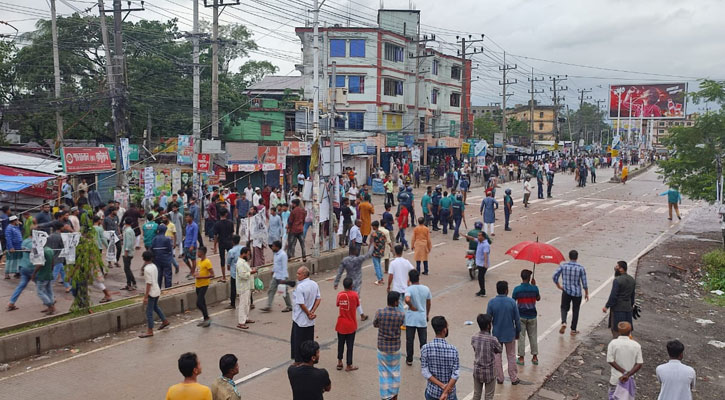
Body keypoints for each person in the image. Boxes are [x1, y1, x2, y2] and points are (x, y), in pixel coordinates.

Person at [486, 281, 521, 385]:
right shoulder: (511, 302)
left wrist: (488, 333)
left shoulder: (491, 302)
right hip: (510, 333)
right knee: (511, 355)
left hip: (496, 334)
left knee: (497, 356)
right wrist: (518, 331)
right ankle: (513, 378)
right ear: (506, 290)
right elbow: (517, 320)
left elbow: (488, 319)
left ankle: (500, 378)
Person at [374, 291, 406, 400]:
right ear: (396, 302)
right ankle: (394, 396)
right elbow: (401, 324)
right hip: (395, 347)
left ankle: (385, 396)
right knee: (395, 372)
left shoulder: (380, 312)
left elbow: (375, 324)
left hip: (382, 347)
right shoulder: (401, 315)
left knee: (383, 373)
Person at [420, 316, 459, 400]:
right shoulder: (453, 350)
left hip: (432, 392)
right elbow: (455, 374)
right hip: (449, 394)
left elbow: (425, 371)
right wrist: (445, 391)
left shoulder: (425, 348)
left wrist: (442, 385)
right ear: (444, 330)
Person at [334, 239, 374, 320]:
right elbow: (369, 254)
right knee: (356, 298)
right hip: (357, 281)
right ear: (355, 251)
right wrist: (372, 244)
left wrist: (336, 282)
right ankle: (358, 314)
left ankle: (359, 314)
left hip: (348, 281)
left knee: (350, 297)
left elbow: (340, 272)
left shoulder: (345, 260)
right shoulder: (358, 259)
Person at [553, 250, 589, 336]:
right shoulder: (581, 268)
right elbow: (584, 282)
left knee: (564, 307)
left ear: (569, 257)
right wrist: (586, 293)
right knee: (576, 310)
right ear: (577, 257)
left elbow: (554, 276)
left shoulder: (564, 266)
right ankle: (573, 329)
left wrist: (558, 285)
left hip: (566, 291)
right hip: (577, 293)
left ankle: (564, 322)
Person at [291, 266, 321, 363]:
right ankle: (309, 359)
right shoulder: (314, 284)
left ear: (304, 275)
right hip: (309, 321)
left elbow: (301, 303)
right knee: (309, 342)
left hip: (300, 319)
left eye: (299, 274)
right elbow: (318, 298)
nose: (297, 275)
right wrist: (312, 311)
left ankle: (298, 361)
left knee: (298, 342)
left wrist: (308, 313)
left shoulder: (300, 287)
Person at [606, 322, 643, 398]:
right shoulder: (636, 345)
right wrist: (627, 375)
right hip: (629, 380)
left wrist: (623, 372)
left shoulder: (613, 343)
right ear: (630, 332)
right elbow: (639, 363)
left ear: (619, 331)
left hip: (615, 378)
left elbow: (610, 360)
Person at [511, 269, 540, 366]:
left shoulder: (517, 289)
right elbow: (538, 298)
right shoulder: (534, 289)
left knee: (521, 337)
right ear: (529, 278)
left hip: (521, 315)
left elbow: (513, 302)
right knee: (533, 336)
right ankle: (535, 357)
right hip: (532, 315)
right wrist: (534, 285)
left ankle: (521, 358)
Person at [138, 251, 169, 338]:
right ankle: (164, 320)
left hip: (151, 292)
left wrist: (145, 296)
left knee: (149, 312)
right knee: (155, 307)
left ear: (144, 259)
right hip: (157, 290)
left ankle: (150, 330)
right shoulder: (154, 266)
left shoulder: (147, 269)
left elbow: (148, 283)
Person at [471, 314, 502, 400]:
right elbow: (499, 349)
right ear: (489, 325)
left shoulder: (474, 337)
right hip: (489, 372)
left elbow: (475, 349)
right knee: (488, 396)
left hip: (477, 370)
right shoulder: (493, 339)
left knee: (476, 394)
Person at [404, 270, 431, 366]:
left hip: (411, 319)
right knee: (423, 340)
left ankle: (409, 359)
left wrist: (411, 306)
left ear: (410, 278)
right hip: (421, 318)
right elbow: (428, 303)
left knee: (410, 340)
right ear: (418, 277)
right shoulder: (426, 289)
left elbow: (407, 299)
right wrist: (427, 314)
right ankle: (424, 359)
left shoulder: (409, 289)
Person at [603, 261, 636, 337]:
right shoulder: (632, 280)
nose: (615, 268)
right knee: (627, 329)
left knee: (616, 329)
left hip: (618, 308)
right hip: (628, 309)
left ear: (621, 269)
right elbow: (632, 296)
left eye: (617, 266)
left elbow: (613, 296)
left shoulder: (617, 280)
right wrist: (631, 306)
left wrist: (606, 306)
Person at [335, 277, 360, 371]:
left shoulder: (340, 295)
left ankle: (339, 362)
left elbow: (337, 304)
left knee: (340, 344)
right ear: (352, 286)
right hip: (351, 324)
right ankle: (349, 364)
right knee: (350, 346)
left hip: (341, 324)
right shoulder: (354, 295)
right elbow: (357, 305)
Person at [261, 240, 293, 313]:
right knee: (271, 290)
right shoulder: (276, 254)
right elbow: (276, 264)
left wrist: (283, 278)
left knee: (284, 292)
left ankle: (289, 306)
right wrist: (273, 271)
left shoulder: (283, 255)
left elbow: (284, 267)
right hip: (276, 276)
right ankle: (268, 306)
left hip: (282, 276)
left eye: (273, 246)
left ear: (277, 247)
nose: (272, 247)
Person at [462, 230, 491, 297]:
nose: (478, 237)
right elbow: (472, 238)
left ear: (483, 237)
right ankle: (482, 290)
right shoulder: (479, 241)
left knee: (481, 277)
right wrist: (465, 236)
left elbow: (485, 254)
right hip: (479, 262)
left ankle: (483, 291)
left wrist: (485, 263)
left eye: (479, 235)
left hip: (483, 264)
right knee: (480, 277)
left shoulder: (485, 245)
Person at [235, 246, 257, 329]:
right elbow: (242, 275)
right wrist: (251, 272)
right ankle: (241, 322)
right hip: (243, 287)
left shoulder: (244, 262)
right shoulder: (240, 263)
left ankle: (246, 318)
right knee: (243, 304)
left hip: (247, 286)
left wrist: (251, 271)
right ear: (243, 254)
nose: (248, 256)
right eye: (247, 254)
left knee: (247, 303)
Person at [30, 242, 56, 315]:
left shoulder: (41, 251)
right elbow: (53, 263)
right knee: (49, 291)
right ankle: (51, 306)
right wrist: (51, 271)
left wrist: (34, 274)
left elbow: (40, 264)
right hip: (49, 274)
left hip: (42, 275)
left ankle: (50, 305)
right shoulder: (50, 250)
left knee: (40, 292)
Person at [388, 245, 413, 311]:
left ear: (395, 252)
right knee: (408, 303)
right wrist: (409, 280)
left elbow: (391, 276)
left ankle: (403, 319)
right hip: (405, 287)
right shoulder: (406, 262)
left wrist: (388, 286)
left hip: (397, 288)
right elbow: (413, 271)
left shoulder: (393, 263)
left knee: (399, 305)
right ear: (402, 252)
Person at [194, 246, 214, 328]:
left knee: (199, 303)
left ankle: (207, 317)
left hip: (204, 284)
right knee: (202, 302)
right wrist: (195, 274)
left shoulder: (207, 262)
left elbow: (212, 274)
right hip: (198, 284)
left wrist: (201, 277)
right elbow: (197, 271)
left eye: (198, 252)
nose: (197, 253)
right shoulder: (198, 261)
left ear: (202, 253)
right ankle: (206, 319)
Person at [213, 209, 233, 282]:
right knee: (232, 258)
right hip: (229, 242)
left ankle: (224, 276)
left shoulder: (217, 224)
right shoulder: (230, 223)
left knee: (222, 259)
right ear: (226, 214)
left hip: (221, 243)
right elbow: (232, 234)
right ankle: (233, 274)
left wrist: (215, 246)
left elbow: (215, 236)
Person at [152, 224, 174, 289]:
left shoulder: (154, 239)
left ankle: (158, 289)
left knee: (159, 274)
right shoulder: (167, 239)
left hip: (157, 259)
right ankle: (168, 289)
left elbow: (152, 248)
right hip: (166, 259)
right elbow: (170, 249)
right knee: (167, 275)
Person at [121, 218, 137, 291]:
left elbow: (129, 242)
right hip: (128, 251)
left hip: (127, 252)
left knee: (127, 269)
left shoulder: (128, 231)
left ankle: (133, 283)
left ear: (125, 223)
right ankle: (128, 284)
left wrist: (126, 251)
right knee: (126, 268)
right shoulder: (130, 230)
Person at [370, 220, 388, 285]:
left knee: (376, 266)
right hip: (381, 251)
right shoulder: (382, 233)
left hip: (375, 251)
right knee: (379, 265)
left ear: (375, 226)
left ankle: (379, 279)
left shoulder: (373, 234)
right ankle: (381, 278)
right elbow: (385, 241)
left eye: (372, 226)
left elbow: (371, 243)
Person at [183, 213, 199, 280]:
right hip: (186, 244)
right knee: (185, 259)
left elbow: (195, 236)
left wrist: (192, 245)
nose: (186, 219)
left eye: (187, 217)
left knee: (193, 259)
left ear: (191, 218)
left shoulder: (194, 226)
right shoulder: (187, 225)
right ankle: (191, 270)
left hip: (192, 245)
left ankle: (192, 273)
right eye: (186, 217)